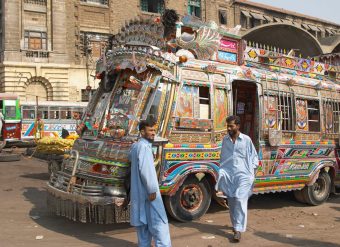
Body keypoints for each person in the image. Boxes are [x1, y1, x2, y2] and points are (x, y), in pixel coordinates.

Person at [128, 118, 171, 247]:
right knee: (160, 226)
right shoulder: (144, 147)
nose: (153, 133)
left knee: (143, 229)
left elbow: (130, 157)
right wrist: (152, 189)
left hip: (139, 194)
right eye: (150, 130)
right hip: (149, 194)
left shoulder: (136, 146)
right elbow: (145, 171)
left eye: (154, 130)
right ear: (142, 132)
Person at [216, 115, 258, 242]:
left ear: (238, 126)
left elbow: (254, 157)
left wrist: (252, 172)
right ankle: (236, 227)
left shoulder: (246, 140)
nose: (228, 128)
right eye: (227, 126)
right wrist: (221, 175)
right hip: (229, 175)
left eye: (231, 126)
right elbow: (223, 159)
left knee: (240, 198)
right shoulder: (225, 140)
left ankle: (239, 230)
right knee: (233, 202)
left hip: (244, 175)